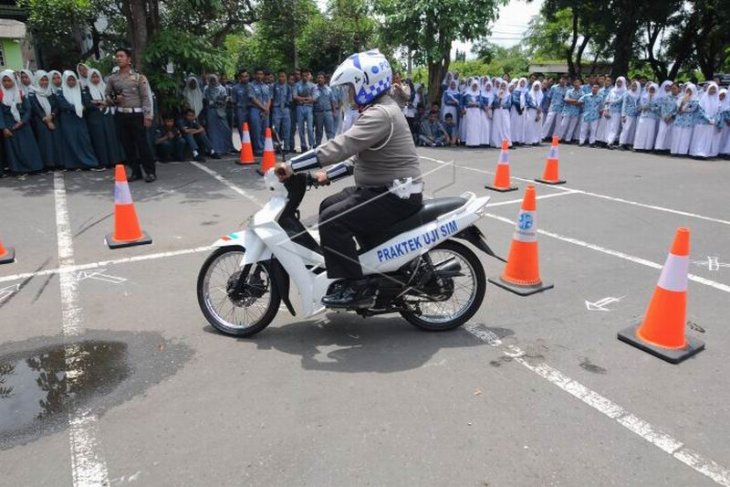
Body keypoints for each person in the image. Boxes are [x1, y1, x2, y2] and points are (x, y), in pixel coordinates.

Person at [275, 49, 422, 308]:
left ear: (366, 84)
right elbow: (356, 158)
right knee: (327, 206)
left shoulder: (380, 114)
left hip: (394, 194)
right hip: (383, 189)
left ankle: (356, 286)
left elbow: (341, 146)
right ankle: (358, 264)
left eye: (350, 88)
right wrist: (325, 176)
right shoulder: (381, 108)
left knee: (333, 221)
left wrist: (292, 165)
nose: (348, 94)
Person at [105, 47, 156, 182]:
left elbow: (145, 97)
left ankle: (150, 172)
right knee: (127, 145)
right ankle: (135, 172)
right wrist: (114, 99)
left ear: (129, 59)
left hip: (137, 115)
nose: (118, 58)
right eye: (117, 56)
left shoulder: (138, 77)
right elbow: (107, 96)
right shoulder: (112, 79)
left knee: (142, 144)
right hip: (121, 115)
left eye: (121, 56)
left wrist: (148, 115)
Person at [0, 69, 44, 176]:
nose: (7, 83)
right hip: (9, 126)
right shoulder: (1, 95)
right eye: (4, 81)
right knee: (14, 149)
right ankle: (18, 169)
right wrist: (4, 128)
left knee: (28, 146)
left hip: (23, 125)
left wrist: (23, 121)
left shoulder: (20, 93)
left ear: (14, 81)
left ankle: (34, 167)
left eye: (9, 80)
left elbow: (28, 109)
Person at [57, 71, 101, 171]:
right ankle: (74, 164)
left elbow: (86, 102)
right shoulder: (60, 92)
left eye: (73, 79)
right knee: (71, 140)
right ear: (65, 80)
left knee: (84, 140)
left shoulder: (80, 90)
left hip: (80, 118)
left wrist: (82, 107)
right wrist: (77, 108)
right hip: (68, 119)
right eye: (69, 80)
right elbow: (63, 104)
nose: (71, 82)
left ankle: (90, 163)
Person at [85, 68, 125, 168]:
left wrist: (100, 102)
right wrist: (101, 103)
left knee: (111, 138)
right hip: (95, 118)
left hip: (107, 116)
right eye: (93, 77)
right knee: (100, 140)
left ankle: (115, 160)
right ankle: (104, 162)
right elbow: (88, 103)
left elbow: (112, 100)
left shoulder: (105, 87)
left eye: (97, 76)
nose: (95, 79)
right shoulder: (86, 89)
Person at [28, 70, 62, 170]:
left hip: (53, 119)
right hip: (40, 120)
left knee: (56, 141)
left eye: (46, 80)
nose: (44, 82)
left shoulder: (50, 91)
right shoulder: (33, 92)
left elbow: (56, 106)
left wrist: (52, 115)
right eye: (42, 80)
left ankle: (58, 163)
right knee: (45, 142)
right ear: (37, 80)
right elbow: (35, 108)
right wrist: (46, 120)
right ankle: (48, 164)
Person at [204, 74, 236, 155]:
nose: (213, 82)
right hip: (211, 112)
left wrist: (215, 102)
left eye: (214, 80)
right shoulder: (206, 89)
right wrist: (212, 102)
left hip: (221, 112)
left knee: (225, 130)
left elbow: (223, 101)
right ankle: (215, 149)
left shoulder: (222, 89)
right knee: (212, 131)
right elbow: (205, 100)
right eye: (211, 80)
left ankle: (226, 148)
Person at [690, 81, 721, 159]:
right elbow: (701, 110)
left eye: (714, 89)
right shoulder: (703, 98)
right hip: (702, 122)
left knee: (707, 138)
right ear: (708, 89)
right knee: (700, 137)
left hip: (711, 123)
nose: (712, 91)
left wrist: (714, 120)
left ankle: (704, 153)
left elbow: (718, 112)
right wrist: (708, 118)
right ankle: (697, 153)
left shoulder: (717, 101)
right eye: (711, 89)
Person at [670, 83, 699, 156]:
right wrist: (683, 103)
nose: (688, 92)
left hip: (688, 120)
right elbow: (677, 108)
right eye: (687, 90)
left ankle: (682, 152)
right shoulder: (681, 98)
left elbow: (692, 109)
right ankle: (674, 151)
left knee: (685, 136)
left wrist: (683, 109)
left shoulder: (696, 100)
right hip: (679, 119)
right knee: (677, 134)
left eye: (690, 90)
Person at [248, 68, 271, 155]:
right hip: (255, 109)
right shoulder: (251, 86)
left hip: (265, 110)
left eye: (261, 74)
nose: (259, 76)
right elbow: (253, 99)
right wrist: (263, 108)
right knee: (256, 129)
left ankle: (265, 147)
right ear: (254, 75)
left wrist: (267, 108)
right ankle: (258, 149)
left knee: (265, 129)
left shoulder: (266, 86)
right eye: (257, 74)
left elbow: (269, 98)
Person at [270, 69, 293, 152]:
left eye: (283, 76)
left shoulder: (289, 87)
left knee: (286, 128)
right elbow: (271, 98)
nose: (281, 78)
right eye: (279, 76)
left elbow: (290, 99)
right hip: (276, 108)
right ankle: (276, 146)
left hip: (286, 109)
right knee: (276, 128)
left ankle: (286, 147)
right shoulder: (274, 86)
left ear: (286, 77)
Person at [633, 82, 660, 151]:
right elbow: (642, 105)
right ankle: (638, 146)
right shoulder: (644, 96)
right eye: (650, 89)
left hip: (652, 117)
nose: (651, 90)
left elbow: (657, 107)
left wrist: (650, 107)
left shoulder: (657, 98)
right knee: (641, 131)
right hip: (644, 116)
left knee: (649, 132)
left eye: (653, 89)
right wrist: (649, 101)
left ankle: (647, 148)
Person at [294, 68, 316, 152]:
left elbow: (313, 98)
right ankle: (303, 145)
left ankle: (312, 144)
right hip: (299, 107)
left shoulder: (312, 85)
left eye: (306, 75)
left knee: (310, 127)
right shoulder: (297, 85)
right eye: (303, 75)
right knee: (300, 128)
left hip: (309, 107)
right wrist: (306, 98)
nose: (304, 77)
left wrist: (302, 99)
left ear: (308, 76)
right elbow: (295, 96)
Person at [313, 72, 336, 146]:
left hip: (328, 112)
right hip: (318, 112)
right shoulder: (314, 89)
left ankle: (331, 146)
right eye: (318, 78)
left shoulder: (329, 89)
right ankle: (318, 147)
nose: (319, 79)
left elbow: (332, 101)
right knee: (318, 131)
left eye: (321, 78)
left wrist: (334, 112)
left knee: (330, 131)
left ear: (324, 79)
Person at [542, 76, 567, 140]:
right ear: (559, 80)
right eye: (562, 79)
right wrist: (549, 105)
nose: (563, 81)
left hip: (560, 108)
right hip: (553, 107)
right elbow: (549, 97)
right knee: (548, 122)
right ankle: (542, 136)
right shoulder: (554, 87)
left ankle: (555, 137)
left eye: (564, 80)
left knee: (558, 124)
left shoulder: (566, 89)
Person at [653, 81, 676, 152]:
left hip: (671, 118)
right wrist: (664, 116)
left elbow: (676, 108)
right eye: (666, 86)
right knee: (661, 132)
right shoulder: (665, 97)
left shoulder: (676, 97)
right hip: (663, 117)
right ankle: (658, 148)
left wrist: (671, 116)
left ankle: (666, 148)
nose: (668, 88)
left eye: (670, 87)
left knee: (668, 133)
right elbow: (662, 107)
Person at [618, 80, 641, 149]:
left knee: (632, 129)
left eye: (635, 86)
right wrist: (623, 115)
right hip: (627, 113)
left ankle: (628, 143)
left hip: (634, 114)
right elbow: (624, 104)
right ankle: (621, 143)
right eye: (632, 86)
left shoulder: (638, 95)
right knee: (626, 128)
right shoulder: (627, 93)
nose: (633, 87)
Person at [605, 77, 627, 148]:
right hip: (610, 110)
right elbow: (606, 100)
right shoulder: (612, 90)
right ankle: (607, 141)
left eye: (620, 82)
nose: (618, 83)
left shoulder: (625, 91)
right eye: (618, 82)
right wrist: (606, 109)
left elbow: (619, 100)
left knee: (614, 127)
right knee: (608, 126)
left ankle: (610, 142)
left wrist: (610, 101)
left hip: (618, 112)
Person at [558, 78, 583, 143]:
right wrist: (575, 100)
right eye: (575, 83)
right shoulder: (569, 91)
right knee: (563, 125)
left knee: (572, 127)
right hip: (567, 111)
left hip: (575, 112)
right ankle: (559, 138)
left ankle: (567, 139)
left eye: (578, 83)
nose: (576, 84)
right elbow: (566, 99)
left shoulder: (582, 93)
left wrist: (571, 100)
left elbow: (581, 103)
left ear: (580, 84)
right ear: (573, 83)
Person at [462, 79, 482, 147]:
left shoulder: (479, 93)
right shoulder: (468, 93)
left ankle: (476, 143)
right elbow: (467, 102)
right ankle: (470, 143)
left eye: (476, 86)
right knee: (470, 126)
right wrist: (475, 103)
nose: (474, 87)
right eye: (473, 86)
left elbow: (481, 103)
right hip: (470, 111)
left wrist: (474, 103)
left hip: (476, 111)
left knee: (476, 127)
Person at [231, 69, 250, 143]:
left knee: (252, 128)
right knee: (242, 129)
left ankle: (253, 147)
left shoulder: (251, 86)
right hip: (240, 110)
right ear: (239, 78)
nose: (245, 78)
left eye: (246, 76)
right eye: (243, 76)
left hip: (251, 109)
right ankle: (244, 146)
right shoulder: (235, 88)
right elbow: (234, 102)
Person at [523, 80, 543, 145]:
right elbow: (528, 102)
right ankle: (530, 140)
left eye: (537, 86)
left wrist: (539, 109)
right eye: (535, 86)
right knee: (530, 125)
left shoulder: (541, 94)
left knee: (538, 126)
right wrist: (535, 107)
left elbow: (542, 103)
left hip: (539, 112)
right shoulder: (529, 93)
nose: (536, 87)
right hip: (531, 111)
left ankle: (536, 140)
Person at [479, 79, 494, 146]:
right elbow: (481, 102)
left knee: (490, 126)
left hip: (490, 111)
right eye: (487, 86)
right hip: (483, 111)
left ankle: (488, 142)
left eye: (489, 86)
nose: (488, 87)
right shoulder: (482, 93)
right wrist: (485, 108)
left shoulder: (493, 94)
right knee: (484, 126)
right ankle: (483, 142)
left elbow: (494, 103)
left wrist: (490, 107)